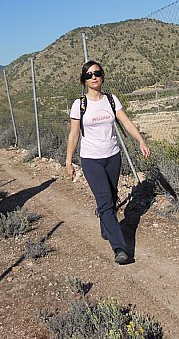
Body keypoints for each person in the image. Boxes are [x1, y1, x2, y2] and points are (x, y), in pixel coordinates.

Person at [65, 60, 150, 265]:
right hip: (91, 159)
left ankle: (106, 226)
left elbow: (126, 121)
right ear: (84, 81)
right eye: (88, 75)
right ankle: (119, 248)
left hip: (113, 156)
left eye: (97, 73)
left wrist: (140, 140)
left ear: (102, 76)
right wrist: (68, 161)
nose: (93, 77)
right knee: (104, 199)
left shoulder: (111, 100)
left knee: (111, 197)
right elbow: (74, 134)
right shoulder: (80, 104)